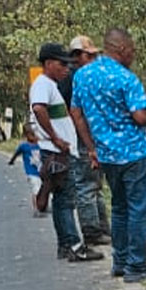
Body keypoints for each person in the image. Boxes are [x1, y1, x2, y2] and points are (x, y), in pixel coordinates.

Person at [70, 27, 146, 282]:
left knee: (119, 208)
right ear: (121, 49)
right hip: (135, 155)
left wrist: (91, 147)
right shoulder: (126, 78)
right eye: (131, 51)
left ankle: (119, 262)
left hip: (107, 156)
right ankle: (136, 266)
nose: (133, 56)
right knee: (140, 210)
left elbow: (77, 114)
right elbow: (140, 116)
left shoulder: (82, 76)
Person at [30, 42, 103, 263]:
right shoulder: (42, 84)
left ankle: (65, 244)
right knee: (66, 201)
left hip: (60, 151)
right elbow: (39, 109)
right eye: (62, 64)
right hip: (56, 152)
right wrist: (55, 138)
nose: (66, 69)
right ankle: (74, 244)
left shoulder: (51, 85)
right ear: (49, 63)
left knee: (62, 199)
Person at [60, 34, 110, 245]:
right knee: (86, 185)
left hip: (89, 134)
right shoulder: (73, 78)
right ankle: (92, 231)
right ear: (78, 56)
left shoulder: (80, 76)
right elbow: (74, 112)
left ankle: (102, 228)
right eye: (87, 56)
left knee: (94, 183)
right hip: (80, 136)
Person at [7, 126, 45, 215]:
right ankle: (36, 210)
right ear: (26, 135)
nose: (34, 137)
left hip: (42, 172)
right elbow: (16, 154)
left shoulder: (41, 145)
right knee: (36, 189)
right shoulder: (24, 146)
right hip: (32, 173)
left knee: (43, 189)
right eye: (31, 135)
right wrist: (12, 161)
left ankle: (42, 206)